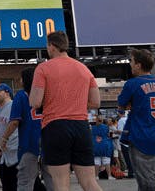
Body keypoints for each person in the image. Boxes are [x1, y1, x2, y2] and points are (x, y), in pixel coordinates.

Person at [29, 31, 101, 191]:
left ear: (52, 46)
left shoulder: (43, 68)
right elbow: (96, 102)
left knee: (61, 184)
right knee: (89, 182)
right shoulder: (83, 69)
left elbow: (35, 102)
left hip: (56, 126)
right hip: (81, 127)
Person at [117, 49, 155, 191]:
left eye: (131, 62)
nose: (130, 65)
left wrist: (129, 105)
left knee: (147, 185)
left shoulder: (132, 84)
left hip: (141, 139)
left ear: (138, 65)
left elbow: (121, 106)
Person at [1, 68, 50, 191]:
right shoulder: (47, 93)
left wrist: (4, 138)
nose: (20, 80)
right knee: (53, 181)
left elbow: (14, 122)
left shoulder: (21, 95)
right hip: (49, 140)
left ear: (26, 79)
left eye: (21, 78)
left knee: (25, 182)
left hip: (29, 143)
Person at [0, 84, 18, 191]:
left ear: (7, 93)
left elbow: (14, 125)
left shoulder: (12, 106)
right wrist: (0, 146)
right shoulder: (1, 110)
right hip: (5, 154)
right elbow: (2, 131)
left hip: (15, 154)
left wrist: (5, 141)